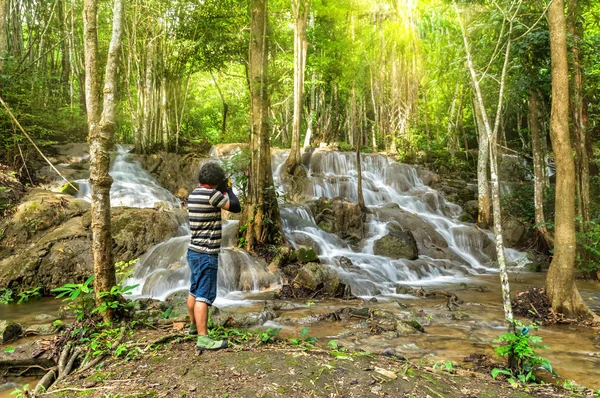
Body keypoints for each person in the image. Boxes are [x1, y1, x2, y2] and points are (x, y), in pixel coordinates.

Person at [186, 162, 241, 351]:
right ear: (217, 181)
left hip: (193, 251)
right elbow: (235, 207)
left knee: (194, 289)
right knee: (204, 295)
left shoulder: (194, 194)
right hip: (206, 253)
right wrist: (230, 189)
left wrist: (222, 189)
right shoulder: (212, 195)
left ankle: (194, 326)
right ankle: (203, 339)